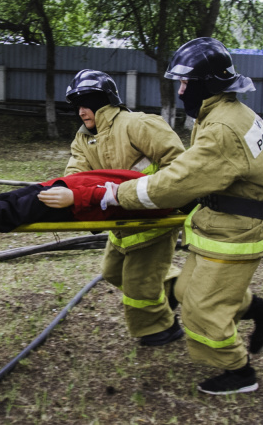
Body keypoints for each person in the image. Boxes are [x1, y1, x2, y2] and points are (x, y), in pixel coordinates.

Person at [102, 37, 263, 395]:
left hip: (237, 230)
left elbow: (177, 180)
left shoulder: (221, 129)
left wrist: (121, 194)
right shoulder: (228, 113)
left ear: (208, 84)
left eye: (186, 83)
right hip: (223, 222)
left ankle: (239, 372)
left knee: (201, 310)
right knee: (187, 290)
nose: (182, 89)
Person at [63, 69, 186, 347]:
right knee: (112, 272)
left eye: (88, 103)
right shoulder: (83, 139)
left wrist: (161, 196)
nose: (82, 111)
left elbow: (179, 164)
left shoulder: (138, 124)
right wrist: (70, 200)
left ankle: (160, 329)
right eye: (77, 105)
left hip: (154, 218)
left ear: (105, 100)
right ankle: (175, 290)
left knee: (138, 284)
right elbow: (75, 178)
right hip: (120, 224)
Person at [0, 169, 177, 232]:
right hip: (67, 190)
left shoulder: (167, 198)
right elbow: (118, 189)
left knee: (12, 210)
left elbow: (119, 194)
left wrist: (74, 196)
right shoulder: (168, 185)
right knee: (8, 202)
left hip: (72, 199)